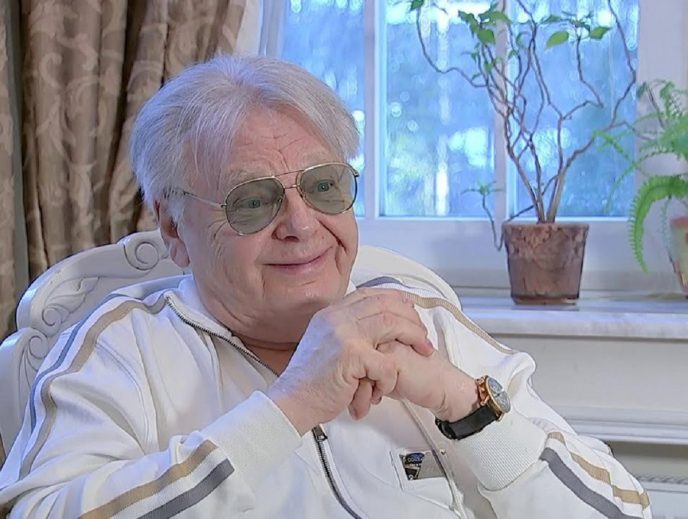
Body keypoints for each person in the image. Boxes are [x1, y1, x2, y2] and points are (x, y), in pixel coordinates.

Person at [0, 54, 650, 518]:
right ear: (174, 226)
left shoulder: (425, 322)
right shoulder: (121, 348)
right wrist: (288, 406)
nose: (303, 225)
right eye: (252, 201)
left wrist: (465, 404)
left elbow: (622, 509)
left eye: (324, 186)